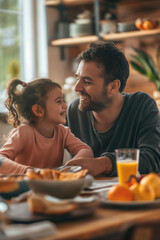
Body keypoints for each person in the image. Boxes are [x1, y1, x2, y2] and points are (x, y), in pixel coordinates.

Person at [66, 41, 160, 176]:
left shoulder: (141, 105)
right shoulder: (74, 111)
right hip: (88, 195)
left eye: (87, 82)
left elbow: (153, 159)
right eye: (78, 78)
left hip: (132, 194)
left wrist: (104, 163)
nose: (76, 88)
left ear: (113, 87)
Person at [0, 78, 93, 174]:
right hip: (26, 186)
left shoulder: (62, 132)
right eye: (58, 101)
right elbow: (1, 160)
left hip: (51, 186)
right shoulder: (24, 132)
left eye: (63, 100)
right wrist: (28, 171)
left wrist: (71, 166)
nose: (65, 106)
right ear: (38, 110)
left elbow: (86, 150)